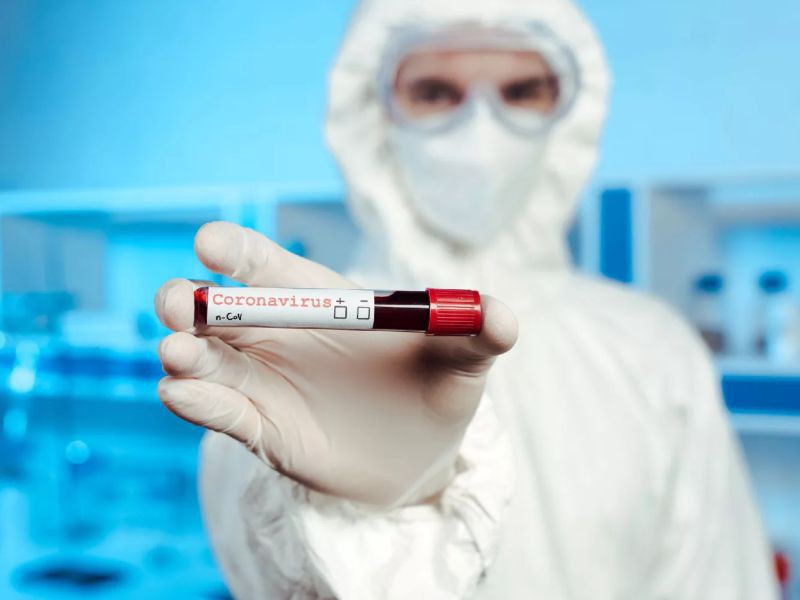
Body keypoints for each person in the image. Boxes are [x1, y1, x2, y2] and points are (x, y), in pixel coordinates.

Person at [154, 0, 779, 597]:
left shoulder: (653, 348)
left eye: (521, 91)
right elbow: (264, 571)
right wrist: (354, 512)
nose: (481, 131)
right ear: (371, 111)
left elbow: (720, 582)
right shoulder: (291, 351)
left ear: (571, 110)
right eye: (435, 92)